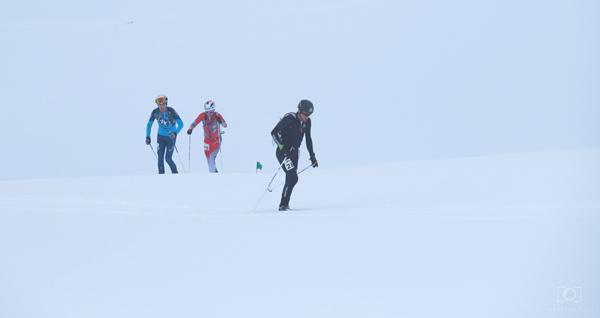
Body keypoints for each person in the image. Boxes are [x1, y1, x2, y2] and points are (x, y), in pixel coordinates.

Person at [270, 99, 318, 211]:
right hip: (283, 152)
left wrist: (312, 156)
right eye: (305, 114)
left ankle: (284, 205)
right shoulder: (290, 119)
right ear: (299, 111)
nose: (307, 117)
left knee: (290, 179)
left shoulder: (307, 122)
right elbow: (273, 133)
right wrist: (283, 148)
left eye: (309, 114)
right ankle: (283, 205)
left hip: (295, 153)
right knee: (293, 177)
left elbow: (308, 139)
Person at [145, 94, 184, 174]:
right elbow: (149, 125)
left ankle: (175, 173)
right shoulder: (155, 112)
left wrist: (175, 133)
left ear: (166, 104)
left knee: (168, 158)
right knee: (160, 158)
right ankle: (161, 177)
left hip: (171, 138)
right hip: (160, 138)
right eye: (160, 104)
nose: (162, 106)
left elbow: (181, 124)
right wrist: (147, 136)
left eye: (163, 104)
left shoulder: (171, 111)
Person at [187, 100, 227, 173]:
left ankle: (210, 177)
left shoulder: (217, 115)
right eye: (207, 111)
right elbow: (194, 123)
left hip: (216, 140)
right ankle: (215, 173)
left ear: (213, 110)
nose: (208, 113)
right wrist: (190, 129)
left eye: (210, 111)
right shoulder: (202, 115)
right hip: (207, 141)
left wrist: (220, 121)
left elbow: (225, 125)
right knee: (208, 160)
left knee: (212, 158)